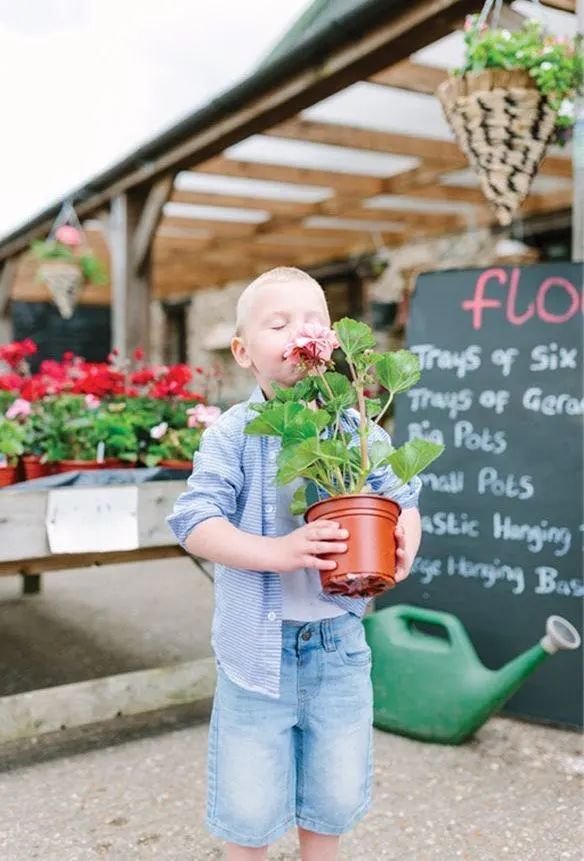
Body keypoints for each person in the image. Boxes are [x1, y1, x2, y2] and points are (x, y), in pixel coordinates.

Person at [167, 267, 422, 861]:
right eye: (278, 324)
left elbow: (400, 500)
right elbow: (194, 522)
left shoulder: (356, 425)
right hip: (257, 651)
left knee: (332, 796)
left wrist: (405, 540)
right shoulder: (230, 433)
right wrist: (277, 553)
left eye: (313, 321)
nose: (298, 332)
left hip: (339, 642)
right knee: (249, 807)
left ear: (333, 342)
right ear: (242, 351)